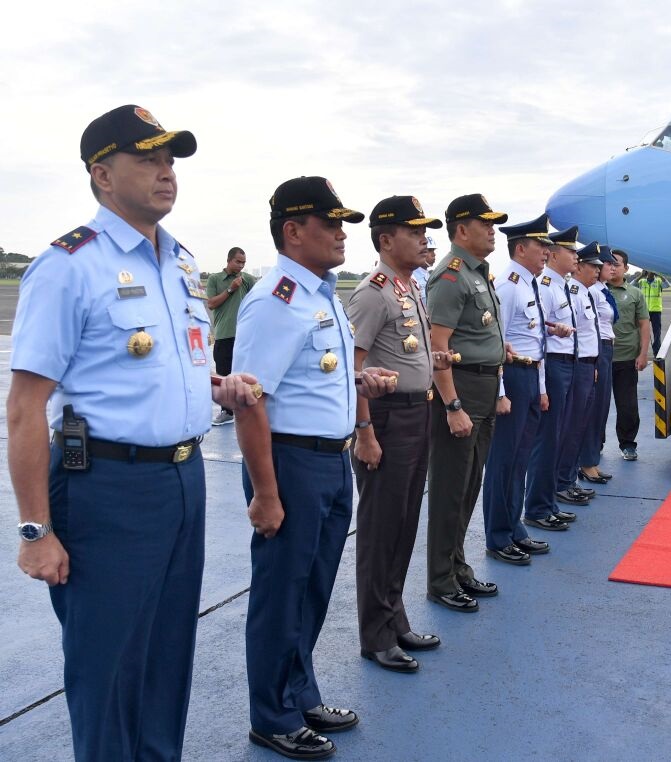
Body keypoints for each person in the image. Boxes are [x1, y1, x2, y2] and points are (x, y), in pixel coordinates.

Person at [7, 104, 260, 761]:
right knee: (108, 668)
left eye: (170, 160)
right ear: (101, 173)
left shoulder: (180, 263)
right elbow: (24, 407)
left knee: (167, 654)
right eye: (147, 158)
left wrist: (217, 387)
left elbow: (162, 369)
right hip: (107, 491)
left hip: (184, 481)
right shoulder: (69, 265)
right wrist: (36, 531)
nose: (166, 172)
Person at [233, 176, 394, 759]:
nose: (341, 233)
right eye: (330, 223)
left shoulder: (321, 293)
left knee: (313, 587)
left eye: (342, 223)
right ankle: (270, 715)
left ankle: (299, 691)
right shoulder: (275, 298)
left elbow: (313, 374)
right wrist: (266, 492)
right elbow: (253, 400)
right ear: (293, 231)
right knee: (282, 592)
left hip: (330, 459)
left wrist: (359, 381)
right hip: (291, 463)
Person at [346, 196, 450, 673]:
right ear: (387, 240)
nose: (425, 238)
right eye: (415, 231)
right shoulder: (373, 291)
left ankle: (396, 618)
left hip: (416, 414)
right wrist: (364, 430)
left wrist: (435, 365)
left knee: (405, 524)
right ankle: (376, 635)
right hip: (385, 420)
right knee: (380, 529)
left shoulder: (410, 288)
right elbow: (355, 365)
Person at [424, 194, 509, 612]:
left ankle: (457, 565)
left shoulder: (479, 274)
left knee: (470, 484)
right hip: (460, 391)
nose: (492, 230)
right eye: (485, 223)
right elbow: (437, 347)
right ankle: (440, 579)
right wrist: (452, 405)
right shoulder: (451, 277)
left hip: (484, 389)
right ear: (461, 229)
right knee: (448, 489)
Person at [482, 214, 559, 565]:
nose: (546, 251)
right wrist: (499, 392)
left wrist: (541, 388)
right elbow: (497, 341)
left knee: (520, 460)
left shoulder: (529, 283)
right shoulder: (509, 286)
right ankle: (498, 536)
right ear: (521, 248)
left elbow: (536, 341)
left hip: (529, 376)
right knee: (504, 461)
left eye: (547, 246)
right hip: (511, 378)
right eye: (540, 246)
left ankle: (514, 528)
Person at [524, 225, 587, 526]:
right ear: (554, 254)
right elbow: (537, 333)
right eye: (571, 251)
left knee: (559, 436)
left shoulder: (563, 285)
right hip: (553, 365)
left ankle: (548, 502)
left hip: (569, 362)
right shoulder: (546, 285)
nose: (576, 256)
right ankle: (536, 508)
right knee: (547, 439)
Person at [555, 243, 605, 502]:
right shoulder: (573, 292)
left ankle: (568, 478)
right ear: (580, 267)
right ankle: (562, 481)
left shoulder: (585, 293)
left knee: (579, 426)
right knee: (570, 426)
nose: (597, 271)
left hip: (588, 364)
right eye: (593, 267)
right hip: (577, 364)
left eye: (599, 267)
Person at [578, 246, 620, 484]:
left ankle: (591, 460)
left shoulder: (602, 290)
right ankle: (586, 462)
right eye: (607, 264)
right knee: (594, 410)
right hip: (598, 348)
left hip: (605, 347)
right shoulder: (592, 292)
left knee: (602, 408)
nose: (611, 268)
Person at [607, 249, 652, 461]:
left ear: (626, 268)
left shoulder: (635, 294)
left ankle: (628, 444)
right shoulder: (597, 290)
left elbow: (644, 325)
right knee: (597, 406)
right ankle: (594, 444)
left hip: (627, 359)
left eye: (617, 263)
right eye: (609, 263)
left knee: (627, 406)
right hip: (600, 359)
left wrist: (643, 354)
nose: (612, 267)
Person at [206, 245, 257, 425]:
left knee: (247, 374)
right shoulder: (215, 279)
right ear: (228, 260)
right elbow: (211, 304)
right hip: (223, 334)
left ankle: (250, 409)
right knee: (223, 373)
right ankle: (227, 412)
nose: (241, 266)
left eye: (244, 263)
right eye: (238, 262)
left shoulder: (248, 280)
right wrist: (230, 289)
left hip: (245, 336)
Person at [637, 270, 664, 355]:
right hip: (644, 310)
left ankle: (656, 350)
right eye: (649, 271)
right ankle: (641, 351)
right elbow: (631, 284)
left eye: (652, 271)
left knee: (657, 332)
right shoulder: (642, 281)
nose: (651, 272)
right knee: (642, 332)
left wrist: (660, 275)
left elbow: (667, 285)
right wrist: (641, 276)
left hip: (656, 310)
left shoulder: (658, 281)